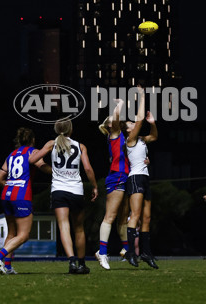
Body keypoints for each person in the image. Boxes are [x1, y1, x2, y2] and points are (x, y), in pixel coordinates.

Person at [30, 119, 99, 274]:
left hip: (59, 190)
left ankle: (72, 261)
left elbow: (32, 160)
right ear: (71, 130)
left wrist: (49, 167)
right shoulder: (80, 146)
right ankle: (81, 263)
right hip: (76, 190)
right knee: (79, 229)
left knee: (64, 227)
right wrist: (94, 186)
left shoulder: (51, 144)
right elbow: (87, 169)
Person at [0, 127, 51, 275]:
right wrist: (60, 172)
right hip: (21, 196)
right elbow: (44, 168)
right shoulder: (33, 152)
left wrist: (12, 186)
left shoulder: (11, 155)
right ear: (33, 140)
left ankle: (8, 267)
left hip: (6, 195)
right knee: (23, 235)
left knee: (12, 233)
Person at [124, 86, 159, 269]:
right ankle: (131, 252)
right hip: (135, 178)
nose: (133, 123)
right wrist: (142, 95)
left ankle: (146, 252)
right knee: (135, 216)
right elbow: (138, 120)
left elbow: (154, 135)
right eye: (130, 123)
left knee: (147, 218)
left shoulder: (142, 140)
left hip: (145, 178)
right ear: (128, 129)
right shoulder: (129, 140)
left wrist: (152, 122)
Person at [95, 98, 131, 270]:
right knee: (110, 216)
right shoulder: (114, 133)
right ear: (110, 125)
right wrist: (120, 104)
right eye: (112, 120)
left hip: (123, 176)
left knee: (122, 218)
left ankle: (127, 249)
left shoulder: (121, 135)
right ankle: (102, 253)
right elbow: (116, 117)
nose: (115, 120)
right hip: (117, 176)